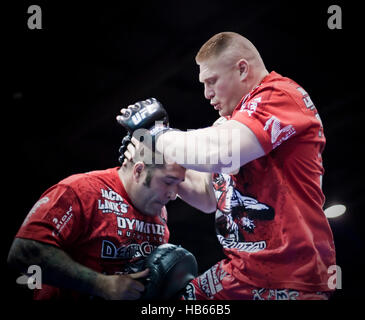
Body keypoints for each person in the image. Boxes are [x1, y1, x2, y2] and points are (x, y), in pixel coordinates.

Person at [118, 32, 336, 300]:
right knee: (157, 296)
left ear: (242, 69)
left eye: (212, 81)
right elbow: (208, 195)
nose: (207, 94)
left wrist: (157, 133)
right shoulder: (229, 124)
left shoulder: (280, 96)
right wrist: (149, 152)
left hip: (290, 278)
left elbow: (220, 152)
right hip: (239, 274)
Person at [7, 139, 186, 300]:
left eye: (179, 183)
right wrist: (101, 284)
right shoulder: (80, 190)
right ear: (138, 171)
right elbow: (24, 252)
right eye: (168, 182)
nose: (173, 194)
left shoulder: (159, 211)